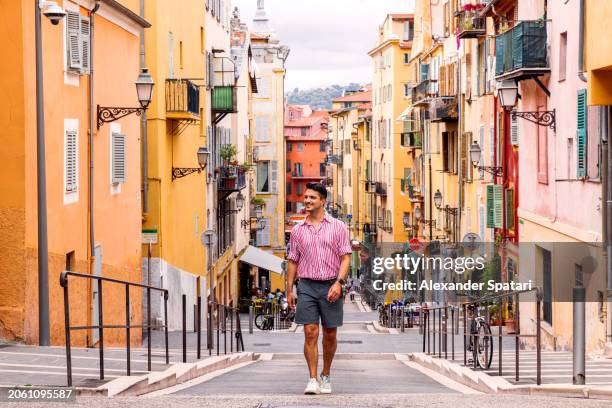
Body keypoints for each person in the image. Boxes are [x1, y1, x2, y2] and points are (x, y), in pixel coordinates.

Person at [286, 182, 352, 395]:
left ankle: (326, 374)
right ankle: (312, 378)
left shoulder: (338, 227)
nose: (307, 201)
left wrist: (339, 283)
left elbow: (346, 257)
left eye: (312, 198)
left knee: (330, 333)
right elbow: (293, 261)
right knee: (310, 331)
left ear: (323, 201)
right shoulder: (297, 230)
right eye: (305, 197)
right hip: (306, 285)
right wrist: (289, 289)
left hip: (331, 285)